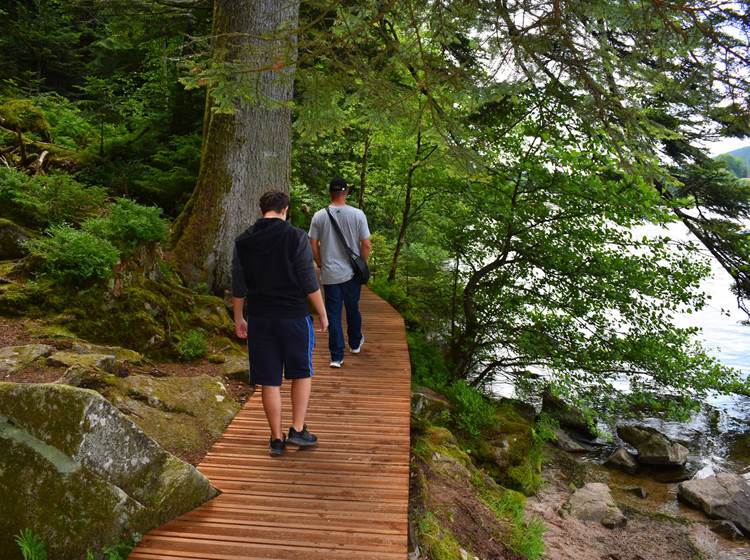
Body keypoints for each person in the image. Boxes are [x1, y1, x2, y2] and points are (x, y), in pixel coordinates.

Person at [232, 190, 329, 457]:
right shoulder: (295, 236)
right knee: (301, 372)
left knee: (269, 380)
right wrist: (322, 312)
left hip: (260, 318)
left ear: (262, 209)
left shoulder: (244, 241)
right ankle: (297, 430)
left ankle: (276, 439)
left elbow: (238, 284)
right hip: (294, 317)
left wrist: (239, 318)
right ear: (285, 209)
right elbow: (308, 279)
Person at [308, 176, 371, 368]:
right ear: (346, 193)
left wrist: (320, 262)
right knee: (353, 307)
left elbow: (312, 243)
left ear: (330, 193)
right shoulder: (358, 214)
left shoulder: (319, 216)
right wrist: (362, 264)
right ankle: (354, 343)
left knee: (333, 314)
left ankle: (336, 356)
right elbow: (366, 243)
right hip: (352, 273)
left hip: (330, 274)